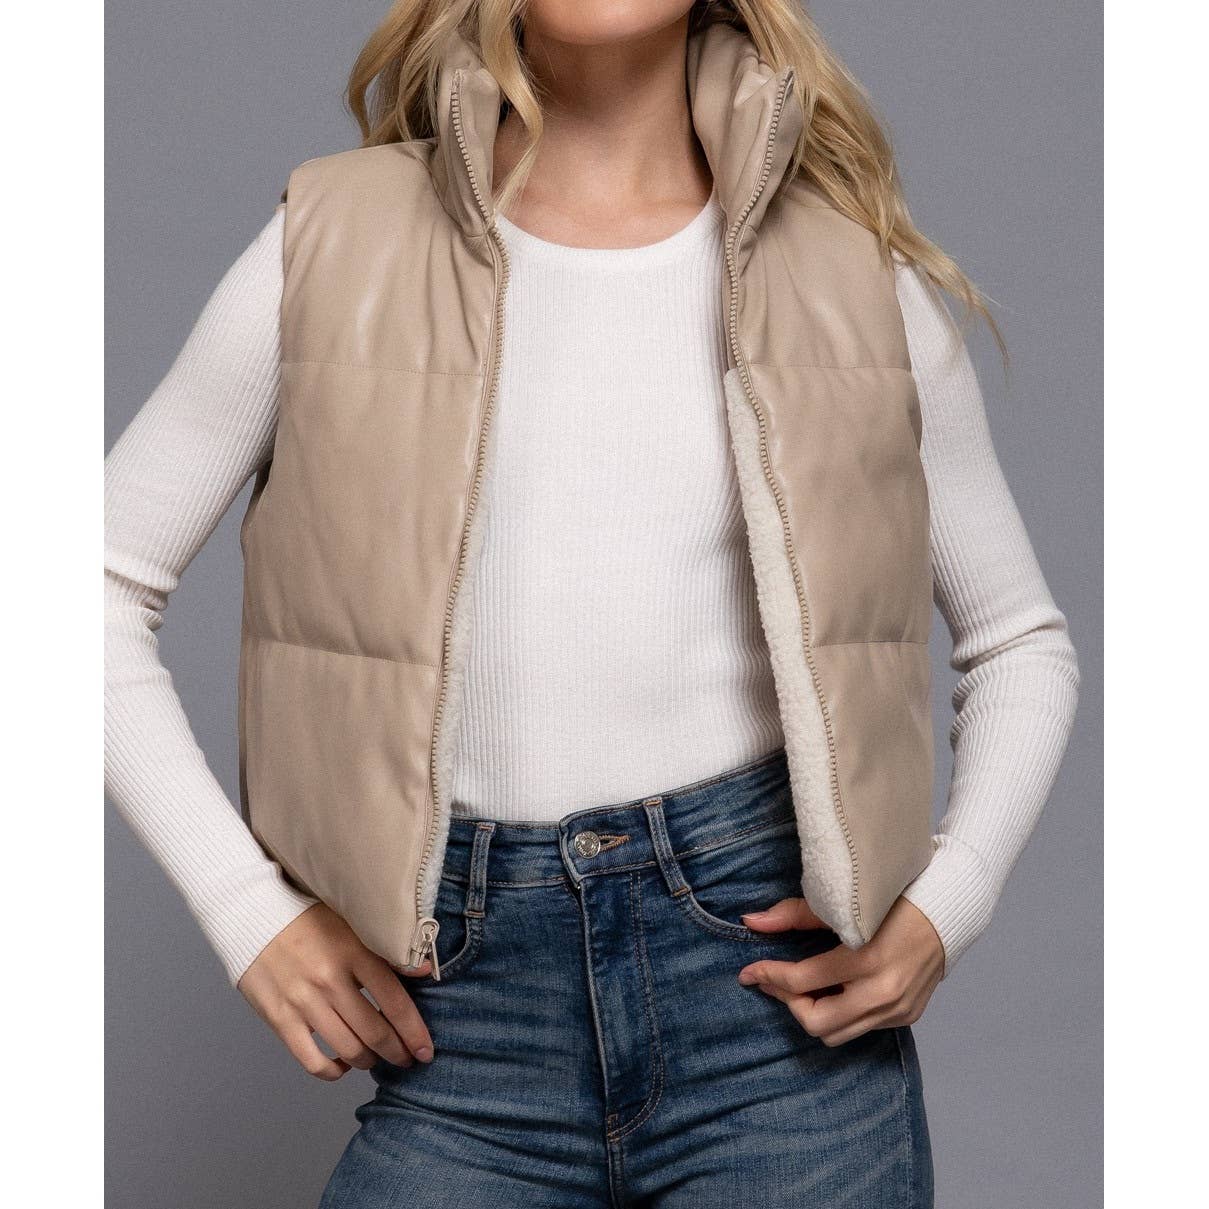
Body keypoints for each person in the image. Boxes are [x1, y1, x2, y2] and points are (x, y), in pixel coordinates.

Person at [104, 2, 1080, 1204]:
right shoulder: (334, 242)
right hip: (462, 1032)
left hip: (776, 1038)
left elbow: (1018, 639)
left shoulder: (849, 275)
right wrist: (243, 907)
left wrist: (950, 901)